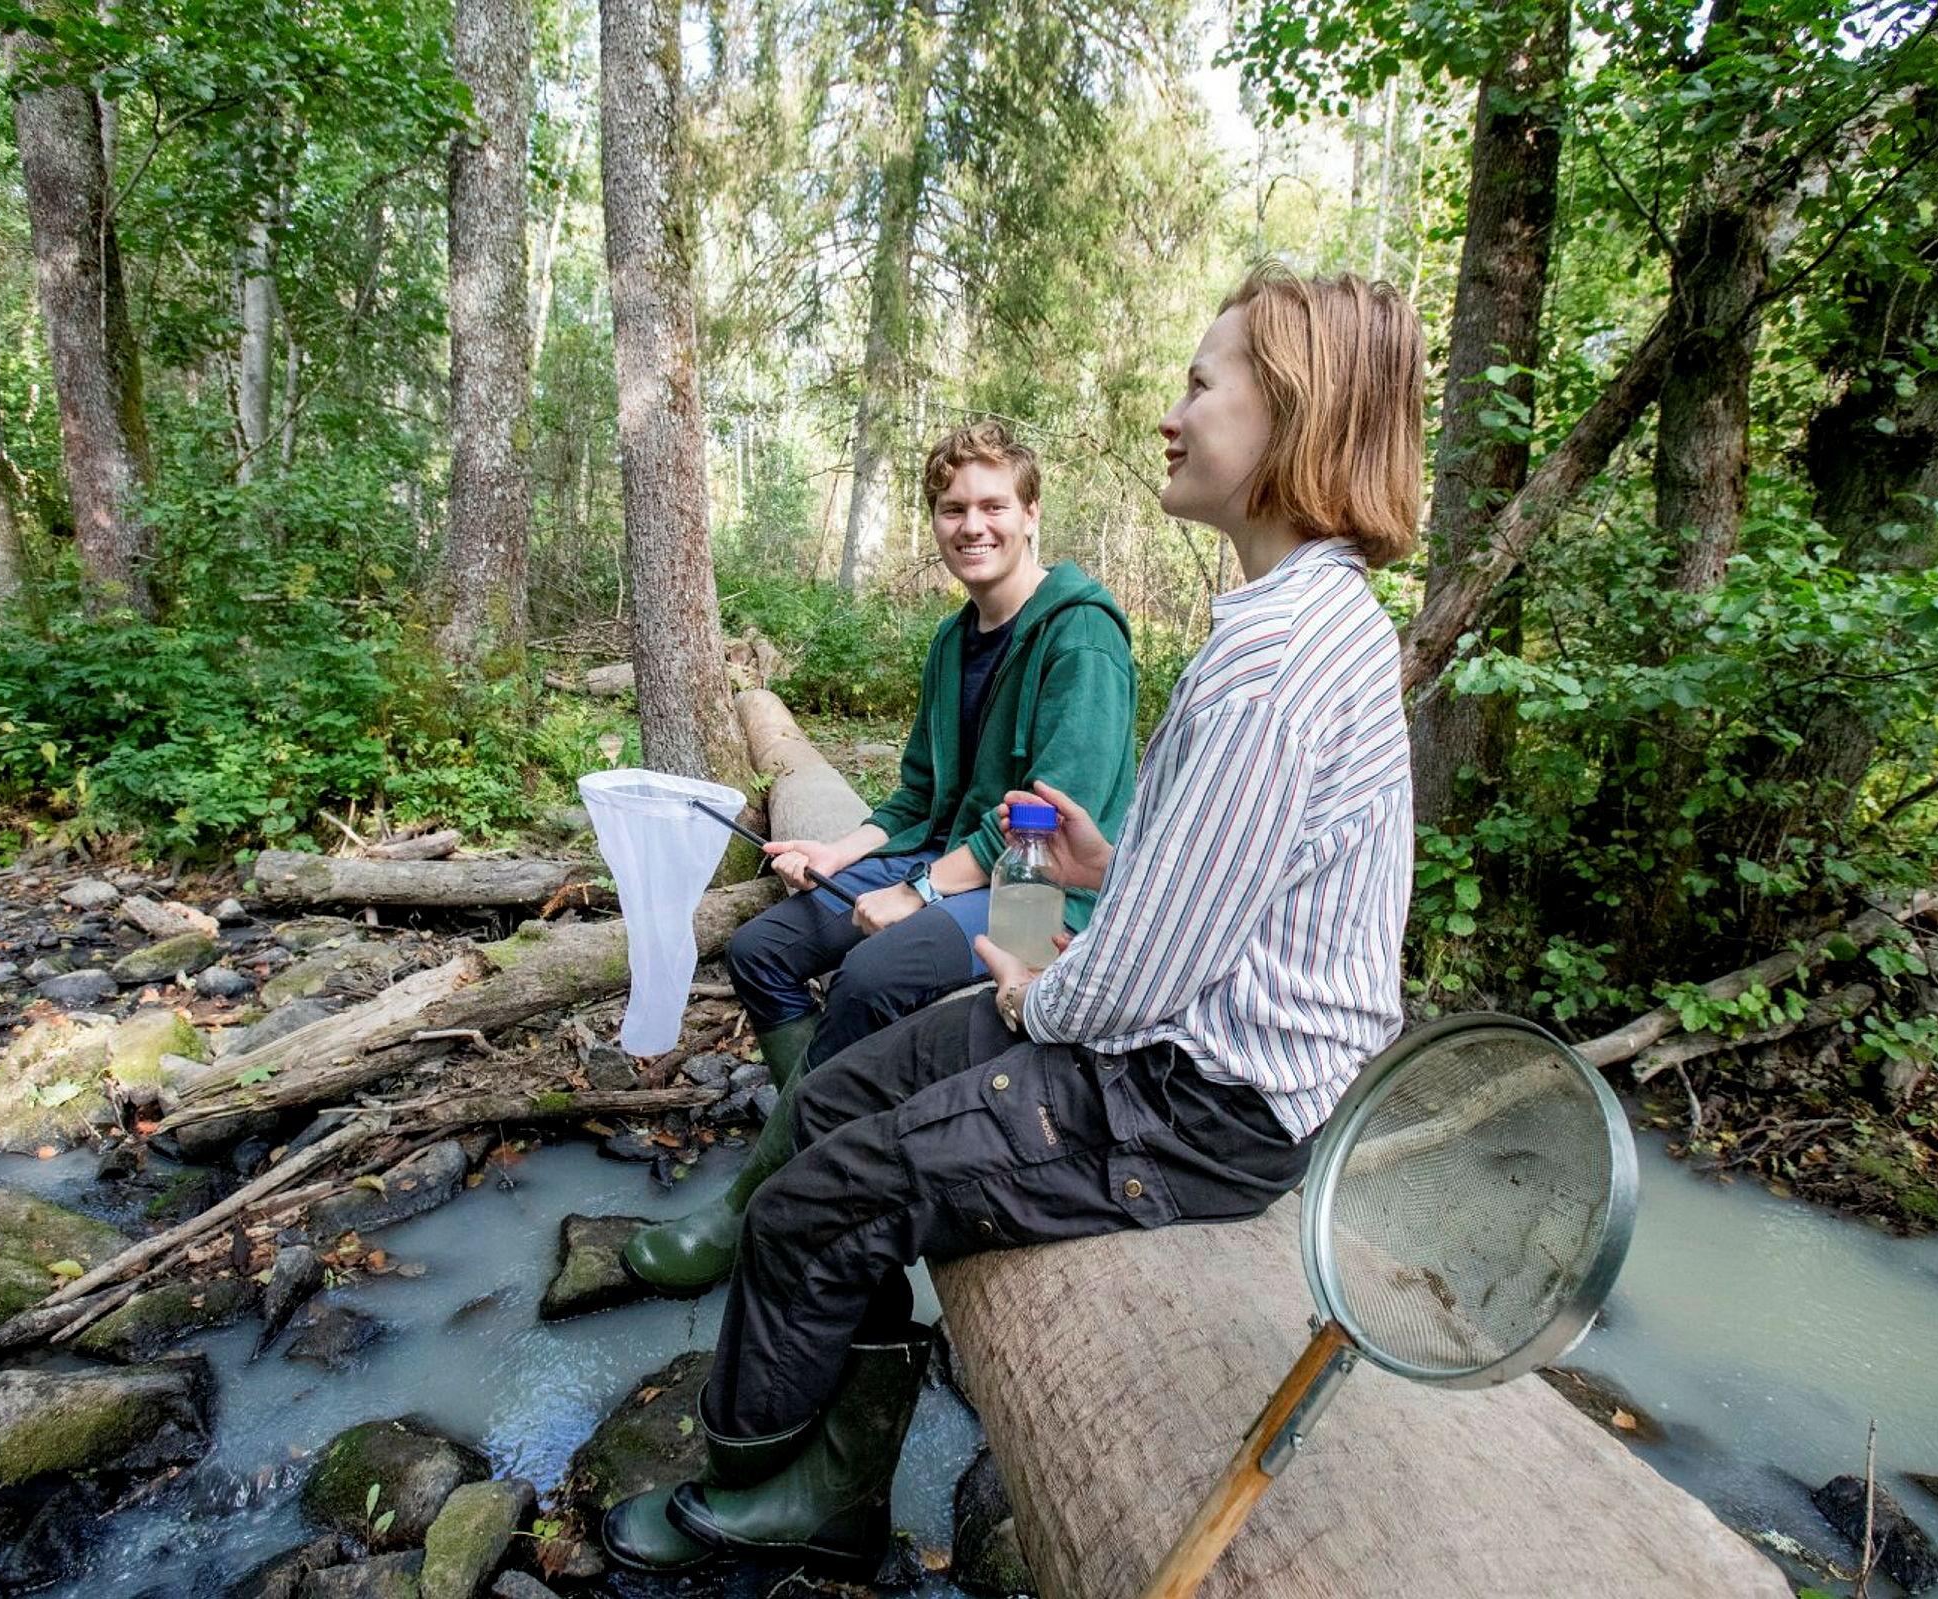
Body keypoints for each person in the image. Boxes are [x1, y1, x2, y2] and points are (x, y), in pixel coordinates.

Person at [601, 263, 1425, 1579]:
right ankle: (816, 1420)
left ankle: (764, 1480)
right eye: (954, 509)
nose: (1170, 413)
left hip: (1192, 1089)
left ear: (1294, 414)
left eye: (1200, 386)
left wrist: (1010, 964)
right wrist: (1095, 868)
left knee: (835, 1145)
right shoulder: (1255, 627)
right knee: (821, 1067)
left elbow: (1083, 911)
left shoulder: (1228, 658)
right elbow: (1177, 860)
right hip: (1141, 993)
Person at [620, 420, 1140, 1295]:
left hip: (1042, 889)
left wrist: (920, 892)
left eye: (993, 505)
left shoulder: (1080, 639)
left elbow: (1050, 823)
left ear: (1031, 513)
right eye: (952, 508)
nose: (972, 525)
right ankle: (820, 1147)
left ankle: (755, 1203)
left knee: (871, 975)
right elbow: (916, 798)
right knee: (764, 949)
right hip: (951, 854)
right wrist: (837, 849)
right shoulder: (952, 641)